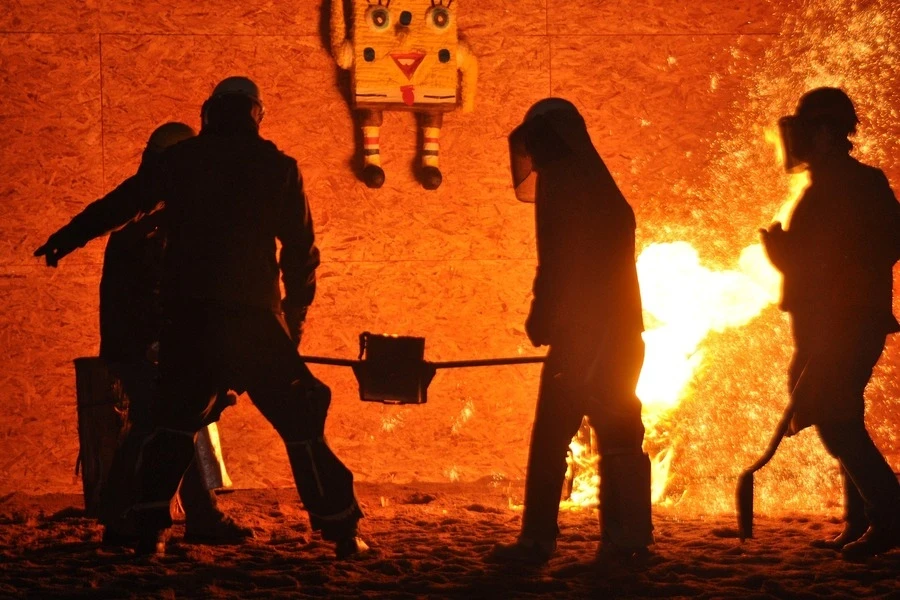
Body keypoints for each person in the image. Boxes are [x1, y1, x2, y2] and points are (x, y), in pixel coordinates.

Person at [35, 77, 367, 558]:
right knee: (302, 419)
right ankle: (341, 529)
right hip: (254, 319)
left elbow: (121, 204)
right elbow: (301, 254)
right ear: (257, 114)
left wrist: (67, 237)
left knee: (173, 423)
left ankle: (148, 529)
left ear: (209, 112)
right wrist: (291, 325)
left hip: (190, 322)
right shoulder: (279, 168)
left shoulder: (179, 163)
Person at [492, 98, 653, 563]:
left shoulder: (561, 185)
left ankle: (538, 540)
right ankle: (629, 539)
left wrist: (542, 317)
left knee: (551, 437)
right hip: (621, 335)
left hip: (582, 339)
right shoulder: (599, 184)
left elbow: (557, 263)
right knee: (621, 434)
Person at [96, 122, 252, 547]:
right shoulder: (153, 219)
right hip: (146, 347)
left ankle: (192, 514)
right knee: (156, 427)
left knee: (180, 423)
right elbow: (152, 291)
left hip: (146, 344)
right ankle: (125, 518)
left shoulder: (149, 210)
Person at [761, 87, 900, 559]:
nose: (795, 141)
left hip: (843, 325)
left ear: (823, 132)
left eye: (804, 129)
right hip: (834, 323)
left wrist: (785, 256)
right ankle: (861, 519)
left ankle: (890, 517)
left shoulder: (853, 185)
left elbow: (873, 250)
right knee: (838, 414)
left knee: (836, 419)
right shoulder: (838, 185)